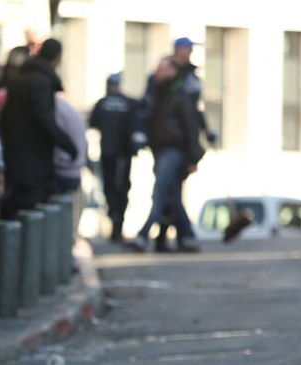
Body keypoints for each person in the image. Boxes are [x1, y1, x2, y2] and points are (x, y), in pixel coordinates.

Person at [127, 56, 204, 253]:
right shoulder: (156, 93)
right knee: (173, 195)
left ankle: (143, 235)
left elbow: (191, 127)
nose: (157, 72)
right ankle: (188, 236)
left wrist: (193, 157)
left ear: (172, 72)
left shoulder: (180, 95)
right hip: (159, 150)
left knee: (160, 193)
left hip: (173, 151)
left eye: (162, 68)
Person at [0, 38, 77, 220]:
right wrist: (67, 144)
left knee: (15, 209)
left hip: (16, 153)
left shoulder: (19, 79)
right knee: (28, 210)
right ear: (58, 57)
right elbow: (45, 119)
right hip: (33, 158)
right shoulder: (41, 82)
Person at [89, 73, 137, 242]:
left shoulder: (102, 103)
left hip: (109, 152)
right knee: (121, 188)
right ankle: (117, 222)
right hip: (123, 153)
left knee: (110, 188)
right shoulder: (128, 103)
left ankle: (115, 219)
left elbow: (93, 123)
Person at [53, 92, 87, 195]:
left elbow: (54, 134)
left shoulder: (55, 108)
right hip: (73, 170)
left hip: (64, 170)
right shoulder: (66, 108)